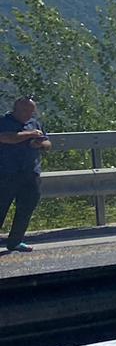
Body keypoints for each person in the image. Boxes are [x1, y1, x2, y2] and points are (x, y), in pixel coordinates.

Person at [0, 96, 50, 254]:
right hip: (6, 173)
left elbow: (48, 143)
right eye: (25, 110)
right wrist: (30, 135)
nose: (28, 113)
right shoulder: (3, 122)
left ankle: (15, 241)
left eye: (31, 110)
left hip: (30, 173)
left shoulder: (34, 123)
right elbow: (6, 138)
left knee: (26, 209)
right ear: (15, 109)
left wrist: (40, 143)